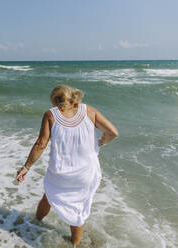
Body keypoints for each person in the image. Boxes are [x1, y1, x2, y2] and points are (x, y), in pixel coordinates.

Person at [15, 85, 118, 247]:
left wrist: (26, 167)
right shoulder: (89, 110)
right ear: (73, 98)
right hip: (85, 172)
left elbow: (41, 144)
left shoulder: (50, 115)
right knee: (78, 207)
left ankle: (36, 222)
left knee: (50, 192)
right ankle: (75, 244)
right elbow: (113, 132)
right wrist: (101, 142)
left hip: (60, 173)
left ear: (55, 100)